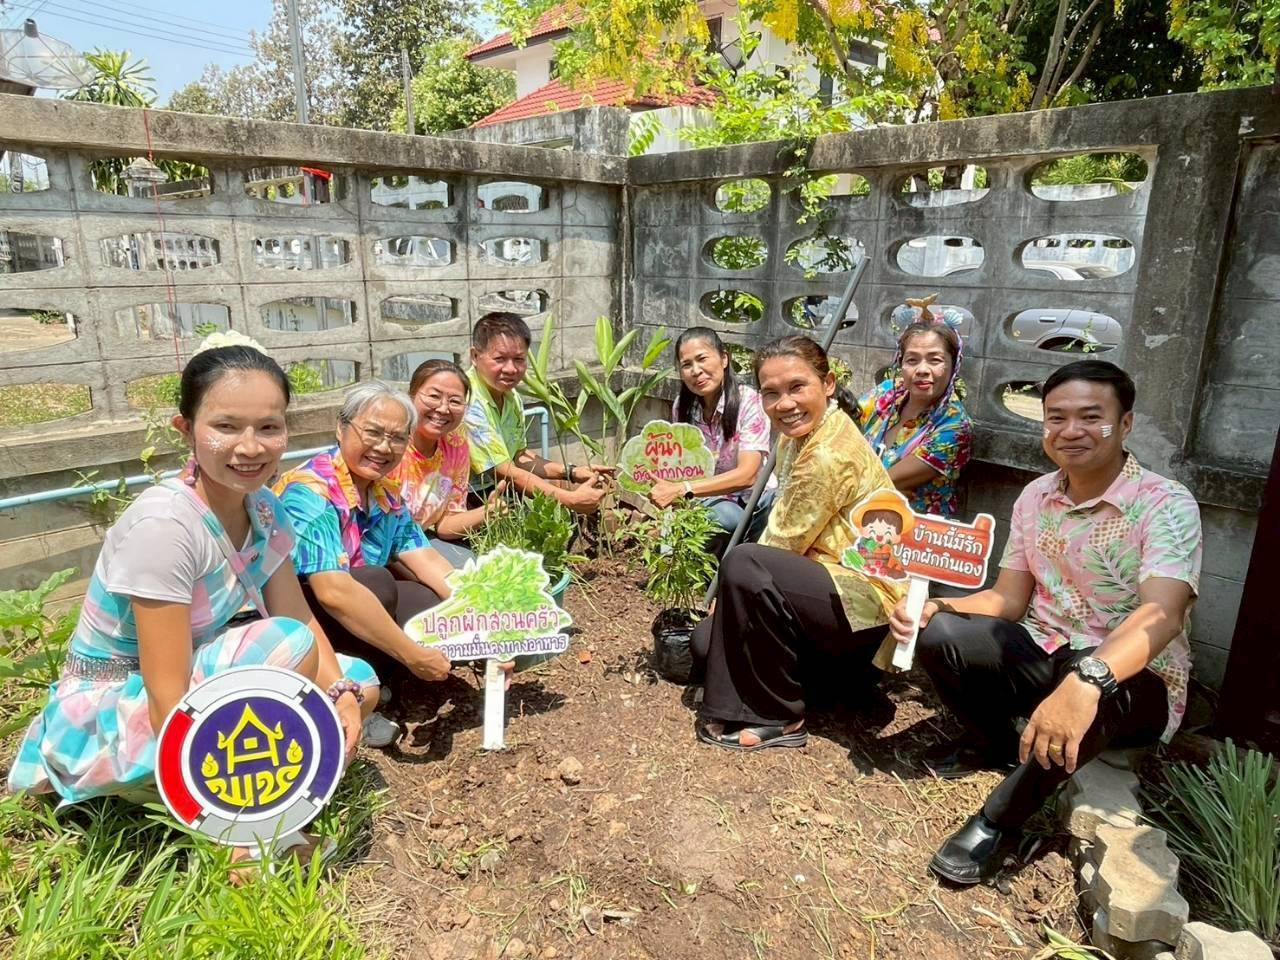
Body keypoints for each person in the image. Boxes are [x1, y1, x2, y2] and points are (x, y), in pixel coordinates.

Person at [8, 339, 377, 831]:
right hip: (114, 712)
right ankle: (223, 808)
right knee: (285, 647)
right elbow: (167, 698)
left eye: (269, 427)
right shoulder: (165, 527)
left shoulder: (265, 509)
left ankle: (259, 778)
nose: (251, 447)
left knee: (359, 681)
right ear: (186, 430)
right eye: (226, 426)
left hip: (190, 688)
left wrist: (343, 693)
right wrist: (235, 832)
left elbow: (298, 612)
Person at [890, 360, 1201, 885]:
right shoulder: (1036, 495)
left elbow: (1163, 614)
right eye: (1056, 417)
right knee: (941, 634)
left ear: (1124, 424)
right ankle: (992, 742)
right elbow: (1007, 599)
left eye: (1091, 417)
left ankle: (998, 821)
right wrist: (939, 609)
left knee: (1101, 681)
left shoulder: (1165, 504)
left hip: (1130, 681)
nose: (1071, 430)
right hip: (1047, 649)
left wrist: (1088, 680)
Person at [691, 335, 908, 751]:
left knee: (743, 564)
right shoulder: (796, 436)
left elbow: (781, 545)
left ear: (827, 384)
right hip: (820, 590)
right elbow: (783, 529)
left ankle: (779, 717)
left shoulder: (828, 452)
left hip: (862, 606)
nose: (784, 404)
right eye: (771, 393)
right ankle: (837, 691)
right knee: (705, 641)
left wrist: (732, 591)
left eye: (797, 387)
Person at [274, 381, 457, 746]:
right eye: (372, 432)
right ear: (341, 428)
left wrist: (485, 616)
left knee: (426, 600)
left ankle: (382, 683)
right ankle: (348, 699)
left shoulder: (384, 492)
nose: (384, 447)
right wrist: (414, 655)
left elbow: (428, 560)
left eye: (397, 438)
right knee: (376, 582)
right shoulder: (310, 491)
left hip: (344, 609)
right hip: (297, 621)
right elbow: (332, 591)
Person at [462, 311, 611, 514]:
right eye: (500, 358)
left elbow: (519, 456)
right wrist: (570, 499)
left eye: (519, 359)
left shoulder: (510, 395)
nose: (511, 369)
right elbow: (505, 472)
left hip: (500, 493)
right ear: (475, 356)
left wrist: (572, 472)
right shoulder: (467, 400)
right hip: (466, 502)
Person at [648, 327, 774, 549]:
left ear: (724, 359)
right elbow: (680, 468)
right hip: (709, 501)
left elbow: (748, 475)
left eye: (702, 359)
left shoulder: (749, 402)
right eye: (686, 365)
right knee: (718, 516)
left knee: (729, 515)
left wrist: (682, 488)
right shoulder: (683, 408)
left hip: (755, 502)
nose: (696, 371)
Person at [856, 298, 971, 517]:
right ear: (900, 363)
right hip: (858, 516)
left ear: (954, 365)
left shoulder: (955, 426)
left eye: (935, 360)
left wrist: (879, 488)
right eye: (912, 360)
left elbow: (884, 482)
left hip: (914, 530)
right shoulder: (887, 393)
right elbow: (842, 432)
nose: (922, 370)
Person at [388, 358, 500, 568]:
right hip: (380, 545)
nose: (443, 408)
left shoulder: (455, 445)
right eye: (434, 396)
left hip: (419, 540)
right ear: (411, 396)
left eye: (455, 401)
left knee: (473, 569)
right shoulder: (390, 444)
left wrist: (488, 512)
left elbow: (446, 524)